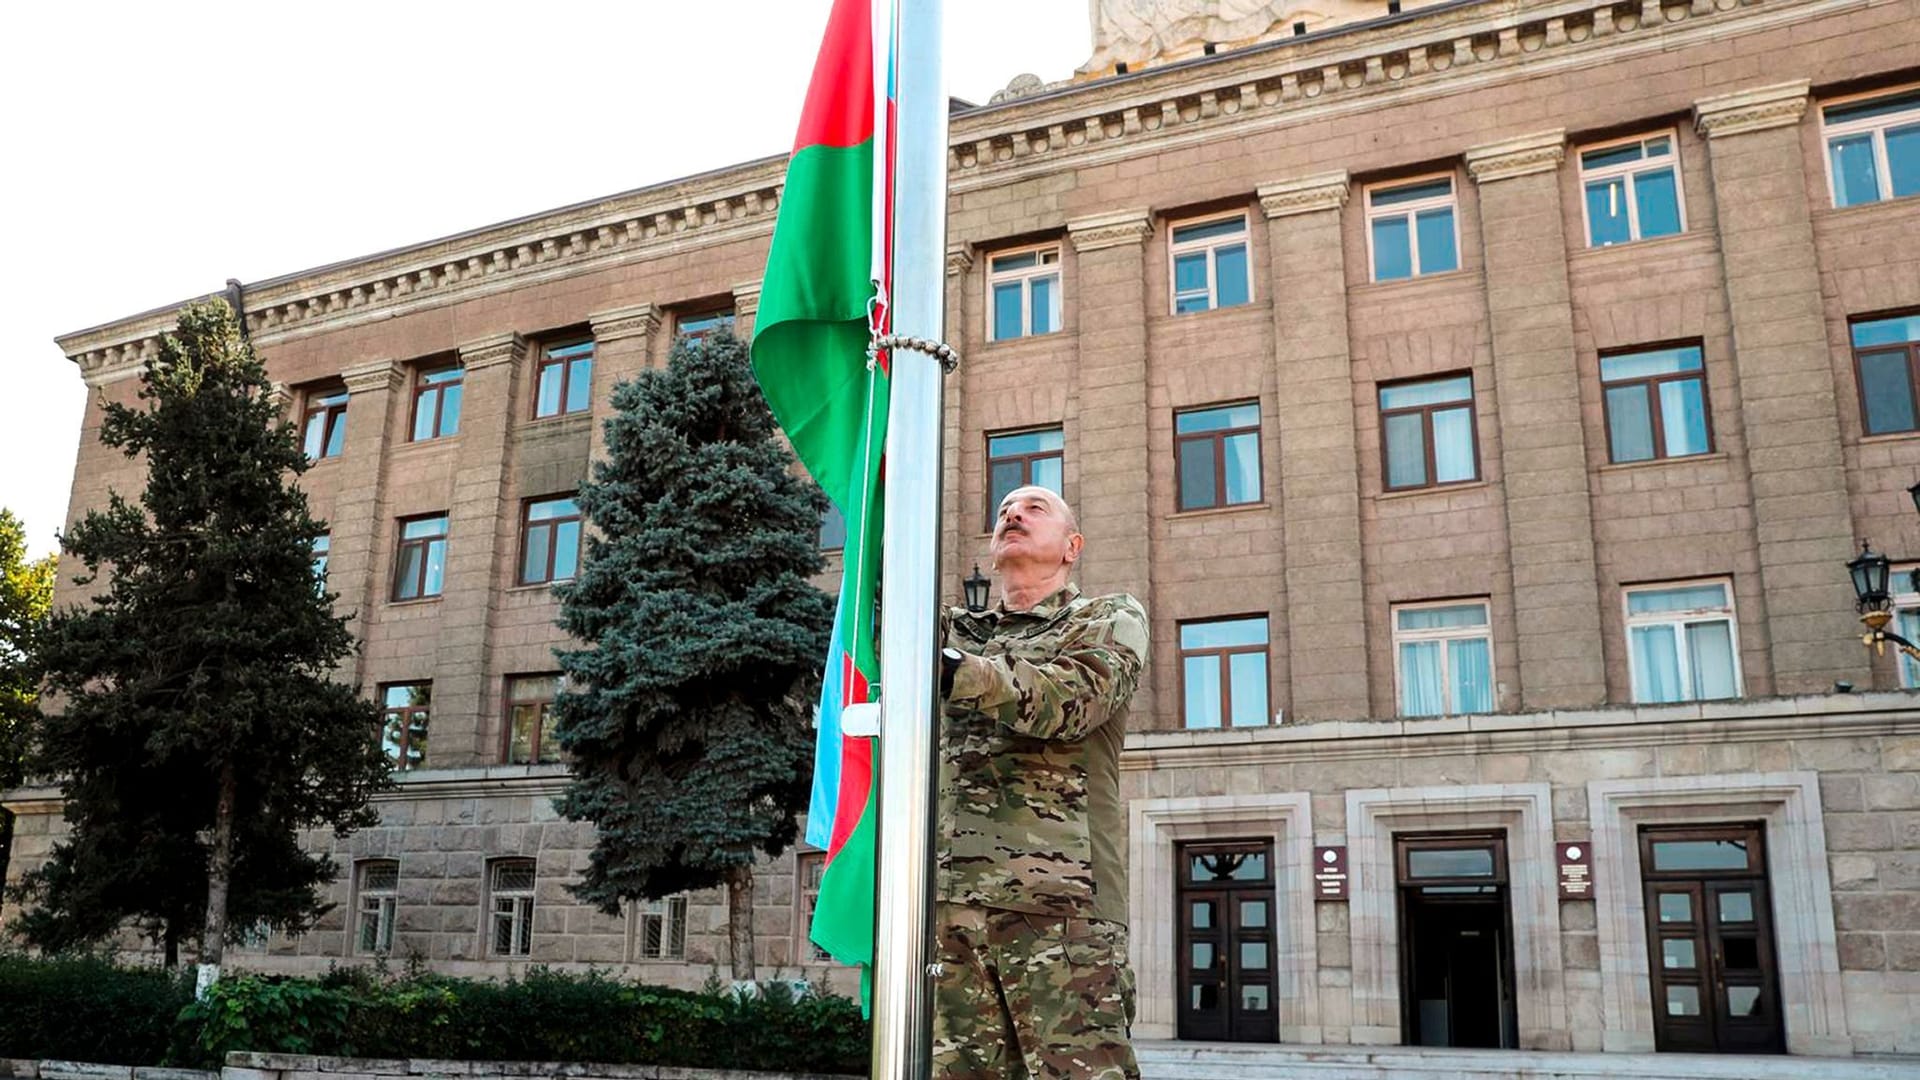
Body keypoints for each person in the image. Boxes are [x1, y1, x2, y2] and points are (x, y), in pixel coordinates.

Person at [933, 484, 1150, 1079]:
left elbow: (1075, 699)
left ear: (1071, 546)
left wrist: (963, 674)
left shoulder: (1107, 617)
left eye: (1034, 508)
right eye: (1004, 510)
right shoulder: (954, 629)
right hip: (948, 907)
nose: (1012, 514)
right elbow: (875, 607)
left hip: (1061, 907)